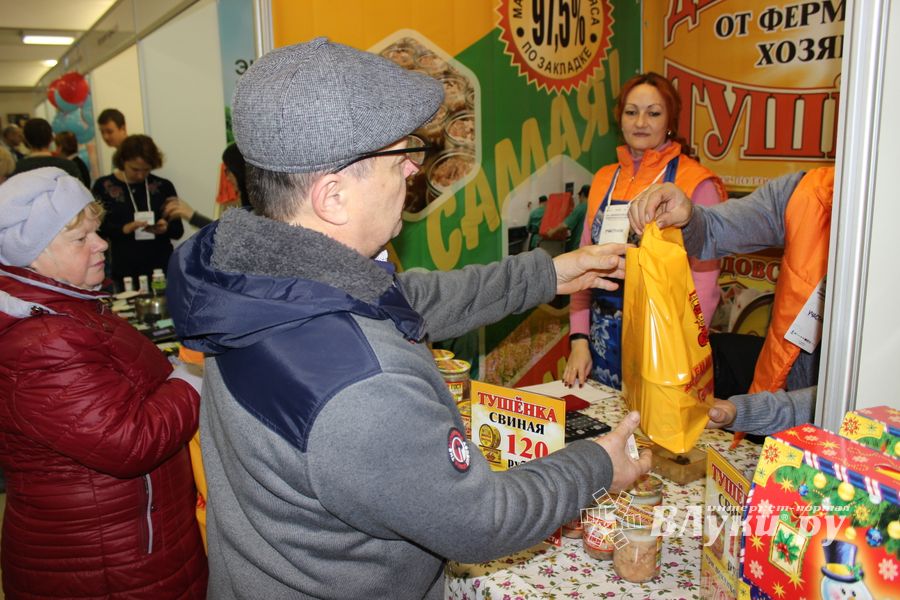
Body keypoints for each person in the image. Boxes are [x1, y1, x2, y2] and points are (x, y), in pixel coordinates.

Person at [166, 38, 651, 600]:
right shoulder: (361, 386)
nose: (414, 168)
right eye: (399, 156)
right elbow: (482, 521)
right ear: (333, 198)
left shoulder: (249, 275)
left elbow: (403, 298)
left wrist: (547, 274)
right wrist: (596, 465)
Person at [0, 167, 207, 597]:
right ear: (32, 255)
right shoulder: (42, 340)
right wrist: (191, 380)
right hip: (106, 560)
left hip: (125, 538)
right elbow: (128, 441)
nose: (101, 244)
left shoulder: (69, 309)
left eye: (96, 231)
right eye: (81, 239)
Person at [627, 166, 835, 436]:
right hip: (782, 403)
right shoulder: (807, 191)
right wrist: (688, 216)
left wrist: (747, 412)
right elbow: (715, 228)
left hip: (847, 437)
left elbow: (852, 401)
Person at [563, 72, 727, 390]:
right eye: (631, 111)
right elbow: (582, 262)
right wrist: (579, 340)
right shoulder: (602, 179)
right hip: (600, 344)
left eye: (653, 112)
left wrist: (685, 353)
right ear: (620, 119)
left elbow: (705, 284)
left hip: (666, 343)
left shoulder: (697, 183)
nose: (641, 121)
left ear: (670, 121)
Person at [92, 134, 184, 290]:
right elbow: (97, 229)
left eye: (146, 170)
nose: (141, 175)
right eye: (135, 169)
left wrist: (165, 227)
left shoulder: (164, 186)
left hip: (162, 268)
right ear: (122, 162)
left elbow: (178, 231)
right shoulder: (104, 186)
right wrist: (124, 229)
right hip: (125, 270)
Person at [163, 143, 250, 228]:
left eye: (228, 171)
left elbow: (231, 238)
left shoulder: (258, 208)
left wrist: (192, 216)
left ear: (239, 170)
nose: (227, 178)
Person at [11, 118, 81, 180]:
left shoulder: (17, 168)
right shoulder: (68, 166)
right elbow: (81, 193)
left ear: (26, 139)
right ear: (51, 138)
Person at [547, 183, 590, 253]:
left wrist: (552, 231)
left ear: (582, 195)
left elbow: (565, 224)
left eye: (579, 197)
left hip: (578, 246)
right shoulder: (593, 207)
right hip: (590, 246)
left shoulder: (580, 208)